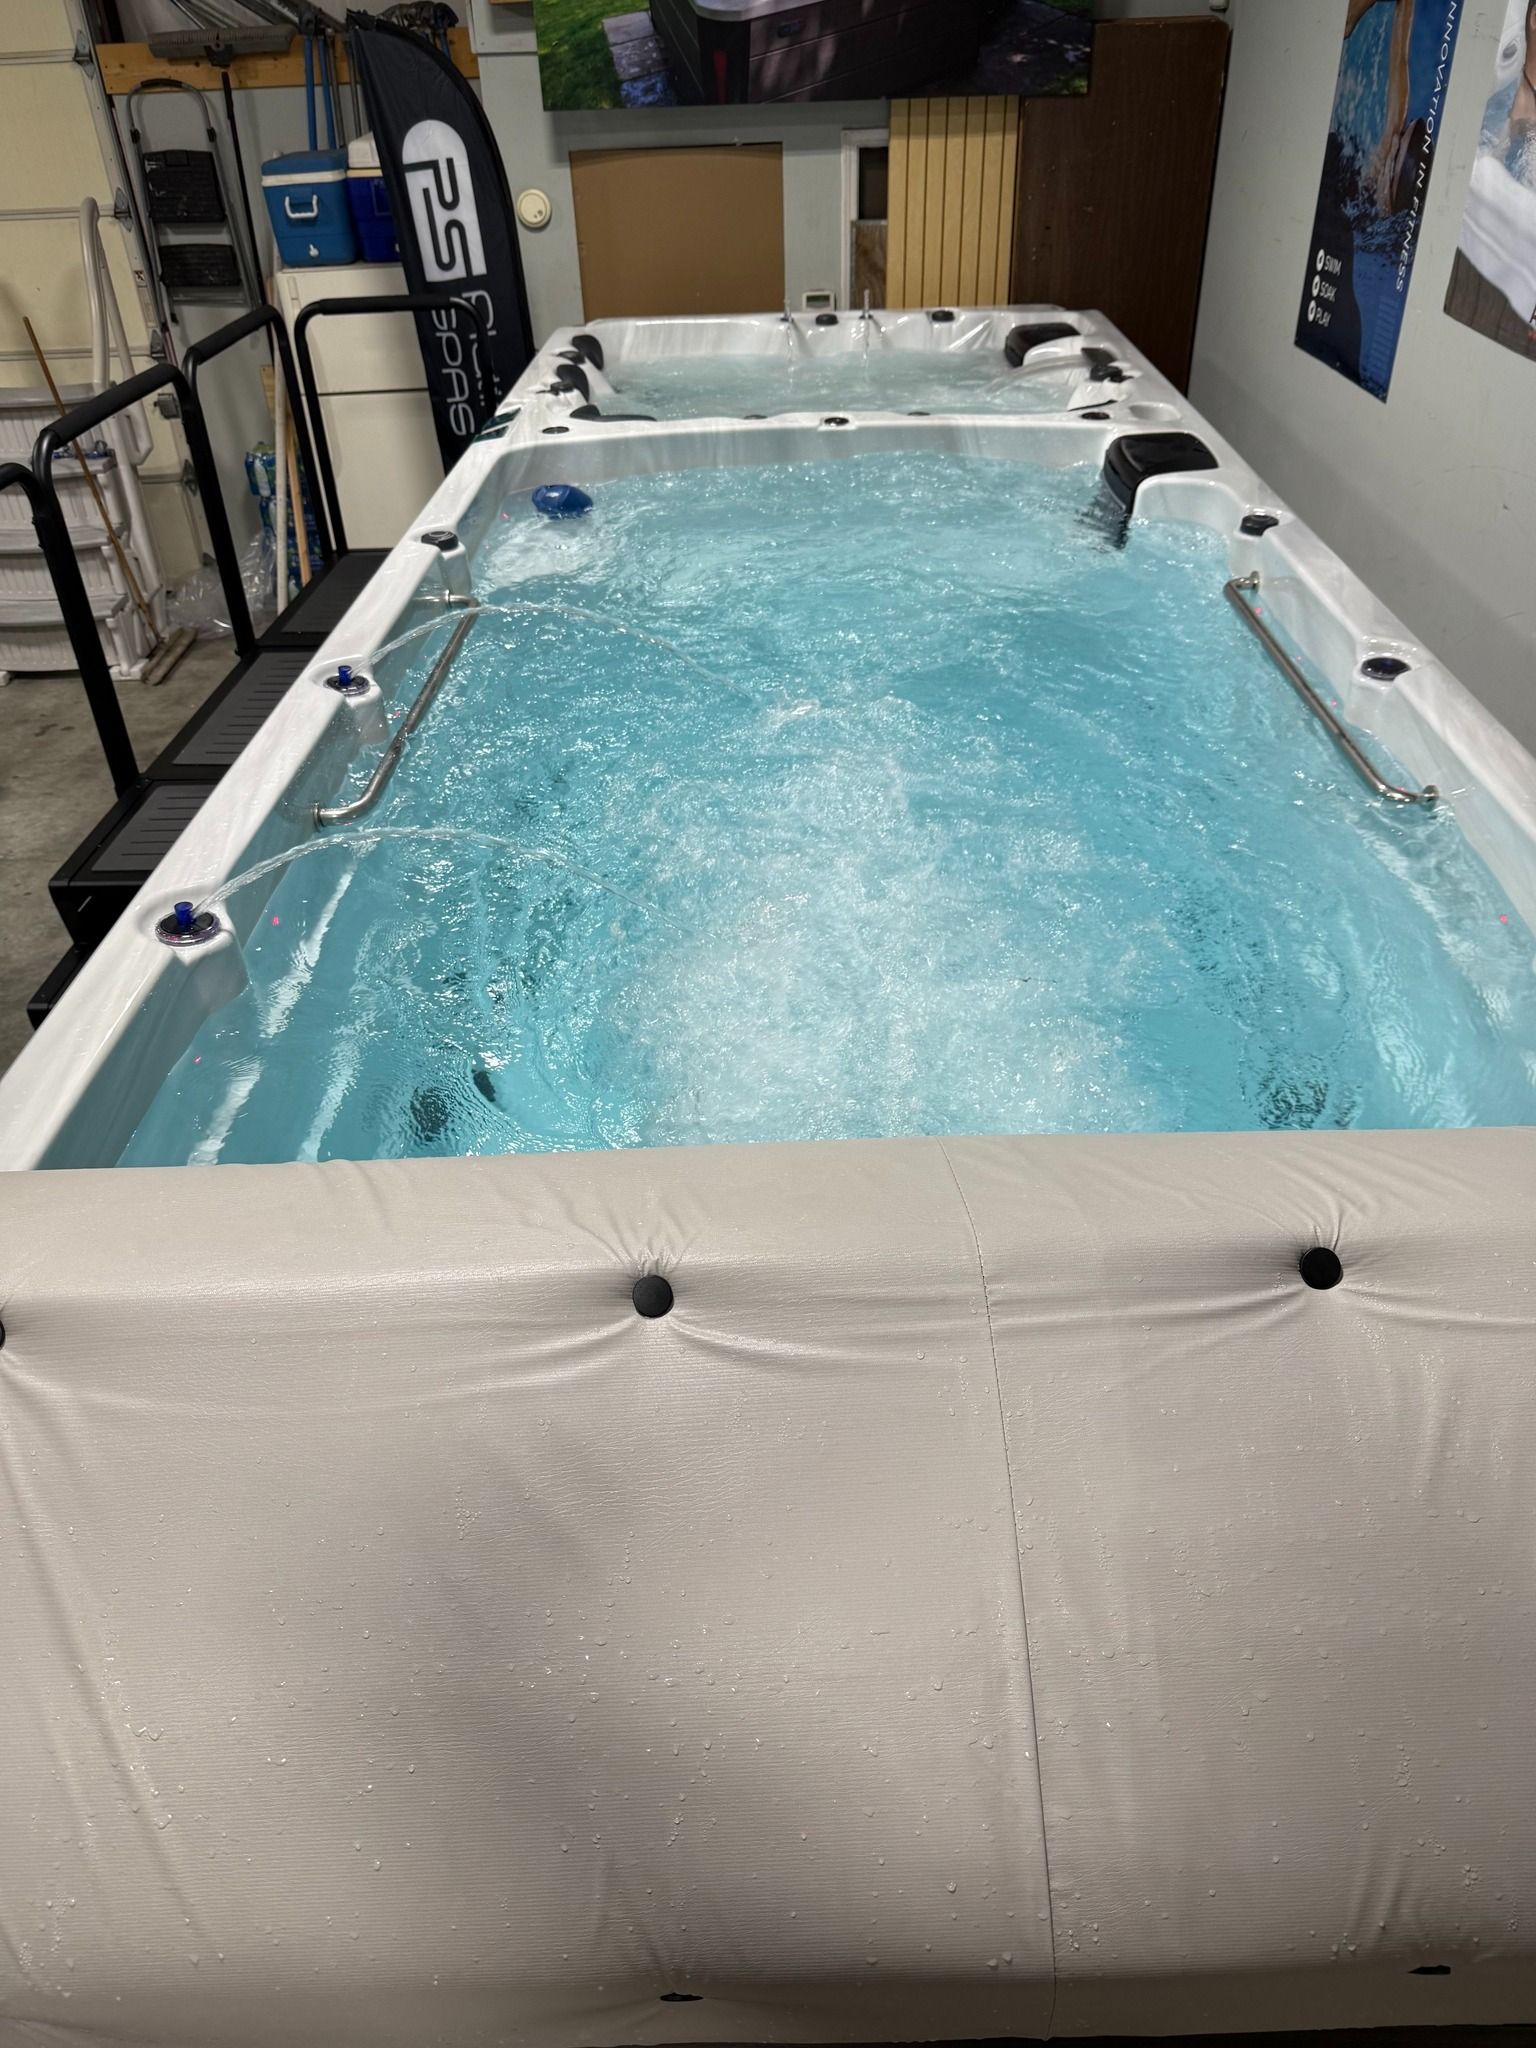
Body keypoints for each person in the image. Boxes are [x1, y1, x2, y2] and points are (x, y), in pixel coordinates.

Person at [1345, 0, 1423, 215]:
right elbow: (1401, 60)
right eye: (1400, 134)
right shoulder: (1386, 148)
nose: (1392, 142)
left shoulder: (1348, 224)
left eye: (1395, 153)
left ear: (1388, 203)